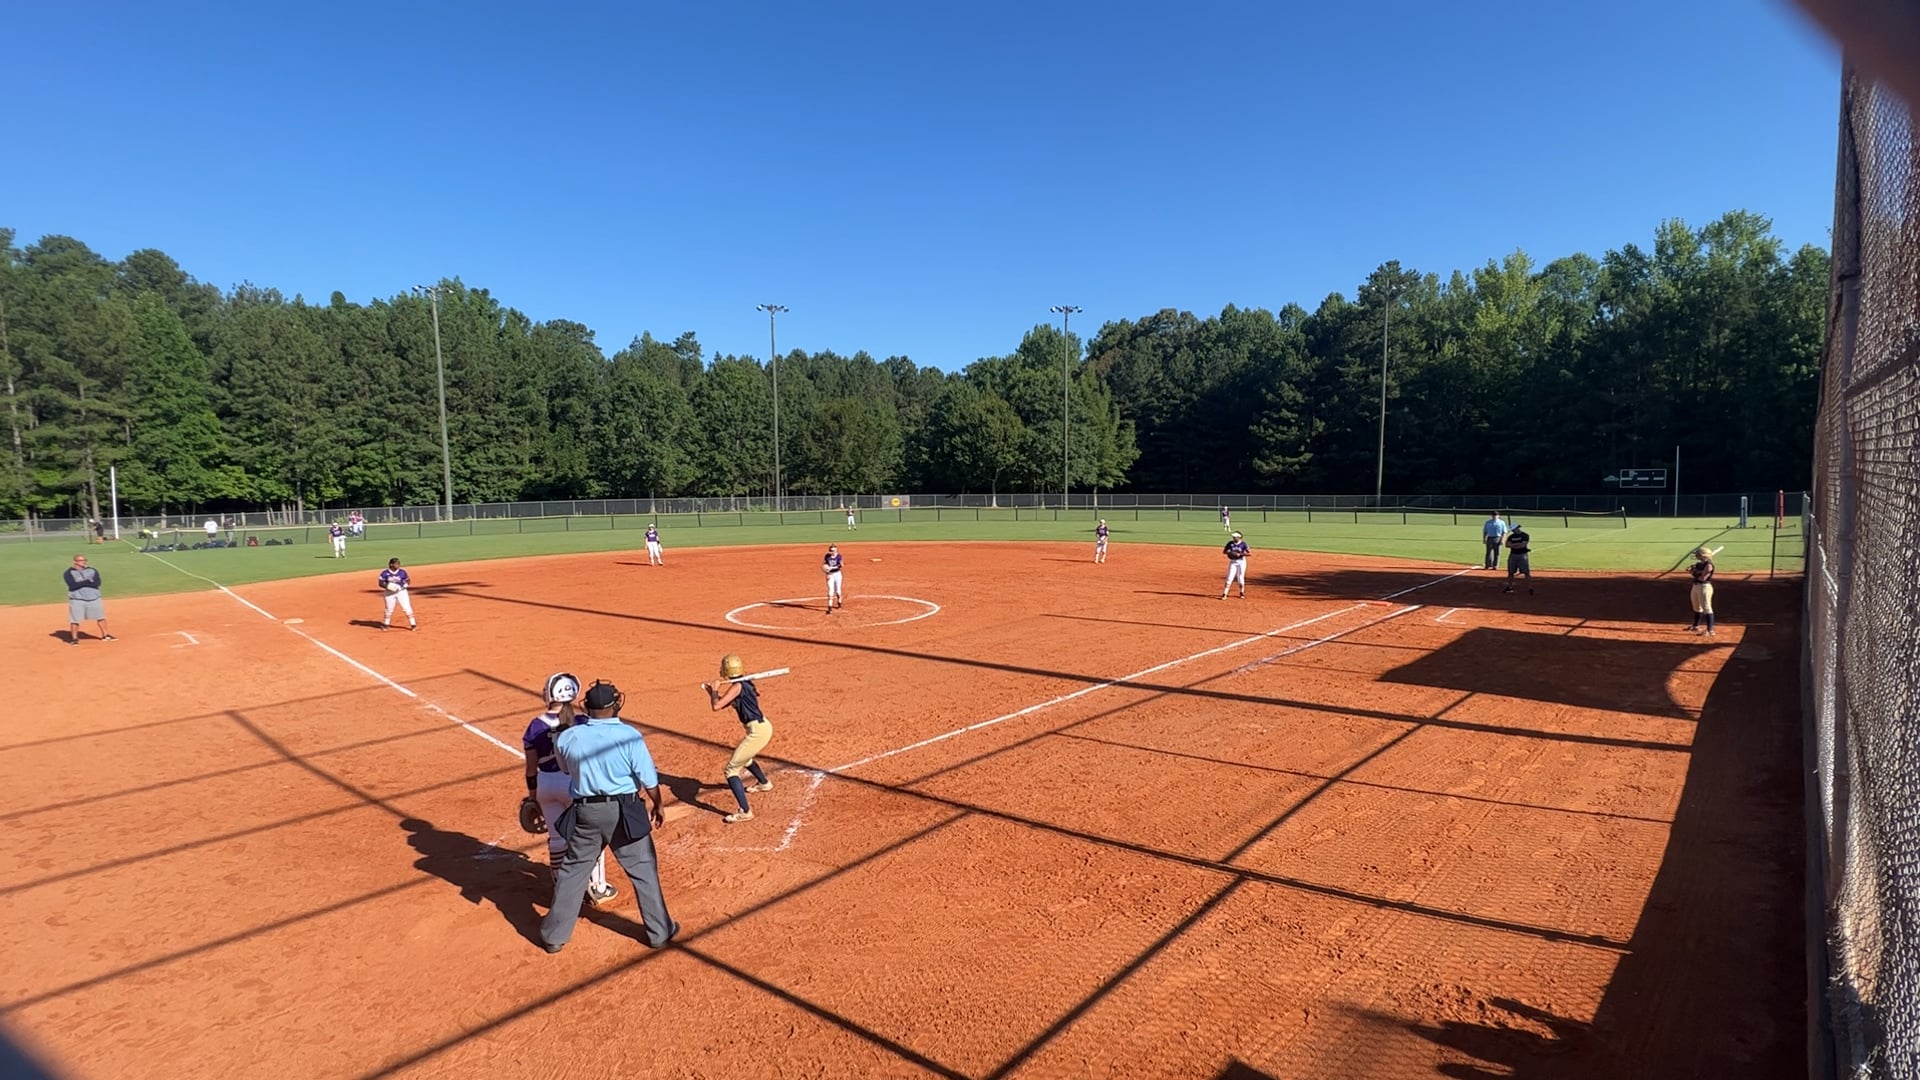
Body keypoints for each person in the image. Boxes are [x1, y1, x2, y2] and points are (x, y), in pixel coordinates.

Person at [540, 679, 677, 954]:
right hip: (624, 811)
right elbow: (648, 779)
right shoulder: (629, 735)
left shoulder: (569, 737)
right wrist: (658, 804)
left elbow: (566, 769)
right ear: (615, 706)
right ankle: (659, 932)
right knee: (643, 870)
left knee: (573, 871)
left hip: (585, 812)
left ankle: (554, 936)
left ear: (587, 708)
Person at [522, 672, 618, 908]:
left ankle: (562, 887)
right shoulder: (582, 722)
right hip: (575, 784)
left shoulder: (535, 726)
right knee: (590, 836)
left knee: (557, 838)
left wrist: (533, 798)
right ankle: (597, 886)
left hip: (546, 785)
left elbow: (531, 769)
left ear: (548, 694)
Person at [701, 654, 776, 824]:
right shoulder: (743, 684)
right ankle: (764, 783)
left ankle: (745, 811)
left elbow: (716, 706)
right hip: (761, 727)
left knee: (731, 770)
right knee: (745, 758)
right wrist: (711, 692)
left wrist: (715, 690)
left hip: (758, 731)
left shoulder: (737, 686)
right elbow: (723, 702)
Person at [63, 554, 114, 646]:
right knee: (75, 619)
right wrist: (88, 581)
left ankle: (105, 635)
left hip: (94, 598)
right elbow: (72, 585)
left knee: (100, 617)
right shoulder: (68, 573)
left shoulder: (92, 570)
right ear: (75, 561)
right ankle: (74, 639)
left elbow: (97, 583)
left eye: (84, 560)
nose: (83, 562)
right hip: (77, 599)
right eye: (81, 560)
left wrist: (81, 583)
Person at [378, 557, 418, 631]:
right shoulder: (385, 573)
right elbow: (380, 583)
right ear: (391, 564)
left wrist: (405, 585)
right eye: (396, 564)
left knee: (407, 608)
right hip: (389, 593)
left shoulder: (402, 572)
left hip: (401, 592)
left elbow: (408, 580)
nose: (398, 565)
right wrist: (389, 586)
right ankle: (386, 624)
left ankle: (413, 624)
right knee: (389, 609)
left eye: (399, 563)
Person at [1688, 546, 1717, 636]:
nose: (1696, 555)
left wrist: (1693, 572)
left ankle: (1710, 630)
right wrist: (1693, 569)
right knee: (1696, 607)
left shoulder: (1709, 566)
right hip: (1696, 586)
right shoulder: (1699, 564)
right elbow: (1697, 573)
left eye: (1698, 554)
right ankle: (1696, 626)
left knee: (1706, 608)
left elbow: (1702, 578)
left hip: (1704, 587)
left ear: (1703, 556)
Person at [1504, 522, 1533, 595]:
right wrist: (1517, 545)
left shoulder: (1525, 535)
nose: (1513, 531)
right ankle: (1509, 587)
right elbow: (1507, 545)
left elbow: (1523, 545)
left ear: (1517, 528)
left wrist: (1513, 545)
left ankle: (1530, 587)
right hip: (1513, 555)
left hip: (1522, 555)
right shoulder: (1511, 536)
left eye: (1514, 529)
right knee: (1510, 572)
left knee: (1526, 572)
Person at [1221, 531, 1250, 600]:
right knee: (1229, 577)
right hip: (1233, 562)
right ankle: (1225, 593)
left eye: (1235, 537)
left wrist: (1240, 554)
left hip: (1241, 562)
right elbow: (1224, 551)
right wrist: (1229, 553)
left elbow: (1249, 553)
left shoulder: (1243, 544)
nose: (1233, 538)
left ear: (1239, 537)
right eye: (1233, 537)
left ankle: (1241, 592)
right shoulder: (1230, 543)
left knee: (1240, 578)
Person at [822, 543, 844, 613]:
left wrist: (833, 567)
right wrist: (827, 572)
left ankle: (839, 602)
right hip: (830, 575)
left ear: (836, 550)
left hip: (837, 574)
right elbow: (825, 564)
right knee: (830, 590)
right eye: (831, 550)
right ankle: (830, 608)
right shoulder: (827, 556)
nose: (832, 552)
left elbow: (842, 565)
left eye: (834, 550)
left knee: (838, 591)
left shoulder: (839, 556)